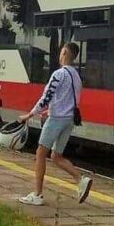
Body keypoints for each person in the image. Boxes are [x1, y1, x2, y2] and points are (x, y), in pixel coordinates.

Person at [18, 42, 93, 206]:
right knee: (56, 156)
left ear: (65, 53)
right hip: (69, 120)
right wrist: (52, 109)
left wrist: (30, 114)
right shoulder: (76, 76)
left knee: (40, 154)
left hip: (57, 120)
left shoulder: (59, 74)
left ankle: (37, 194)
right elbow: (66, 99)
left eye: (61, 52)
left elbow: (46, 97)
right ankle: (81, 179)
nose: (59, 55)